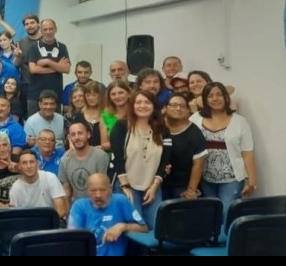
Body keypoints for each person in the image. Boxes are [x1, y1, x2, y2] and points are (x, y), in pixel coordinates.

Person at [190, 82, 257, 227]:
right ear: (205, 99)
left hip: (232, 178)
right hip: (205, 177)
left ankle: (227, 246)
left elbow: (248, 153)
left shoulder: (240, 122)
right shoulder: (195, 118)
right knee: (210, 214)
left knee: (227, 213)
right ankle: (212, 245)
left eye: (219, 94)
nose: (215, 98)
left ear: (226, 98)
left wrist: (252, 181)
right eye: (211, 95)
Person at [110, 90, 172, 230]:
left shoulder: (163, 130)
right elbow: (117, 159)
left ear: (153, 106)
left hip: (152, 186)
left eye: (147, 102)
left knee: (157, 226)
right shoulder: (121, 126)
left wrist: (155, 186)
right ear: (132, 105)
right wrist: (125, 186)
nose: (142, 106)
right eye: (138, 102)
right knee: (136, 227)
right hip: (126, 186)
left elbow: (165, 161)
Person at [68, 173, 147, 256]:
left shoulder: (121, 201)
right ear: (87, 191)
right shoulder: (79, 206)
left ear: (110, 189)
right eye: (93, 190)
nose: (98, 195)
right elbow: (72, 239)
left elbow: (144, 228)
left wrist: (122, 226)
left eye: (102, 190)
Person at [163, 93, 207, 201]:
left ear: (188, 111)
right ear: (165, 108)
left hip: (182, 185)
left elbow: (198, 164)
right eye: (174, 105)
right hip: (158, 182)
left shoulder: (194, 133)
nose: (178, 108)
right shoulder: (157, 127)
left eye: (182, 106)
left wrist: (191, 190)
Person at [26, 19, 71, 114]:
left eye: (51, 29)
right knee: (34, 126)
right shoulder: (33, 47)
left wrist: (48, 61)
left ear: (56, 29)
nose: (48, 32)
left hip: (55, 95)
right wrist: (57, 67)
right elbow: (33, 69)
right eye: (45, 29)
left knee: (54, 126)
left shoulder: (62, 47)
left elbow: (66, 69)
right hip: (35, 96)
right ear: (41, 31)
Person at [8, 150, 68, 221]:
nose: (29, 166)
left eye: (32, 162)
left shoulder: (50, 178)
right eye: (24, 163)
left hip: (52, 223)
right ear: (19, 166)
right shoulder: (15, 188)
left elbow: (61, 210)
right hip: (29, 227)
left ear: (37, 164)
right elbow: (16, 217)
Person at [59, 121, 110, 203]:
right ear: (69, 138)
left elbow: (103, 186)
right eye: (73, 135)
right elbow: (67, 190)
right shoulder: (65, 160)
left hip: (98, 204)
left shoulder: (100, 156)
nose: (77, 137)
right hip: (77, 206)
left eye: (80, 133)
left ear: (88, 135)